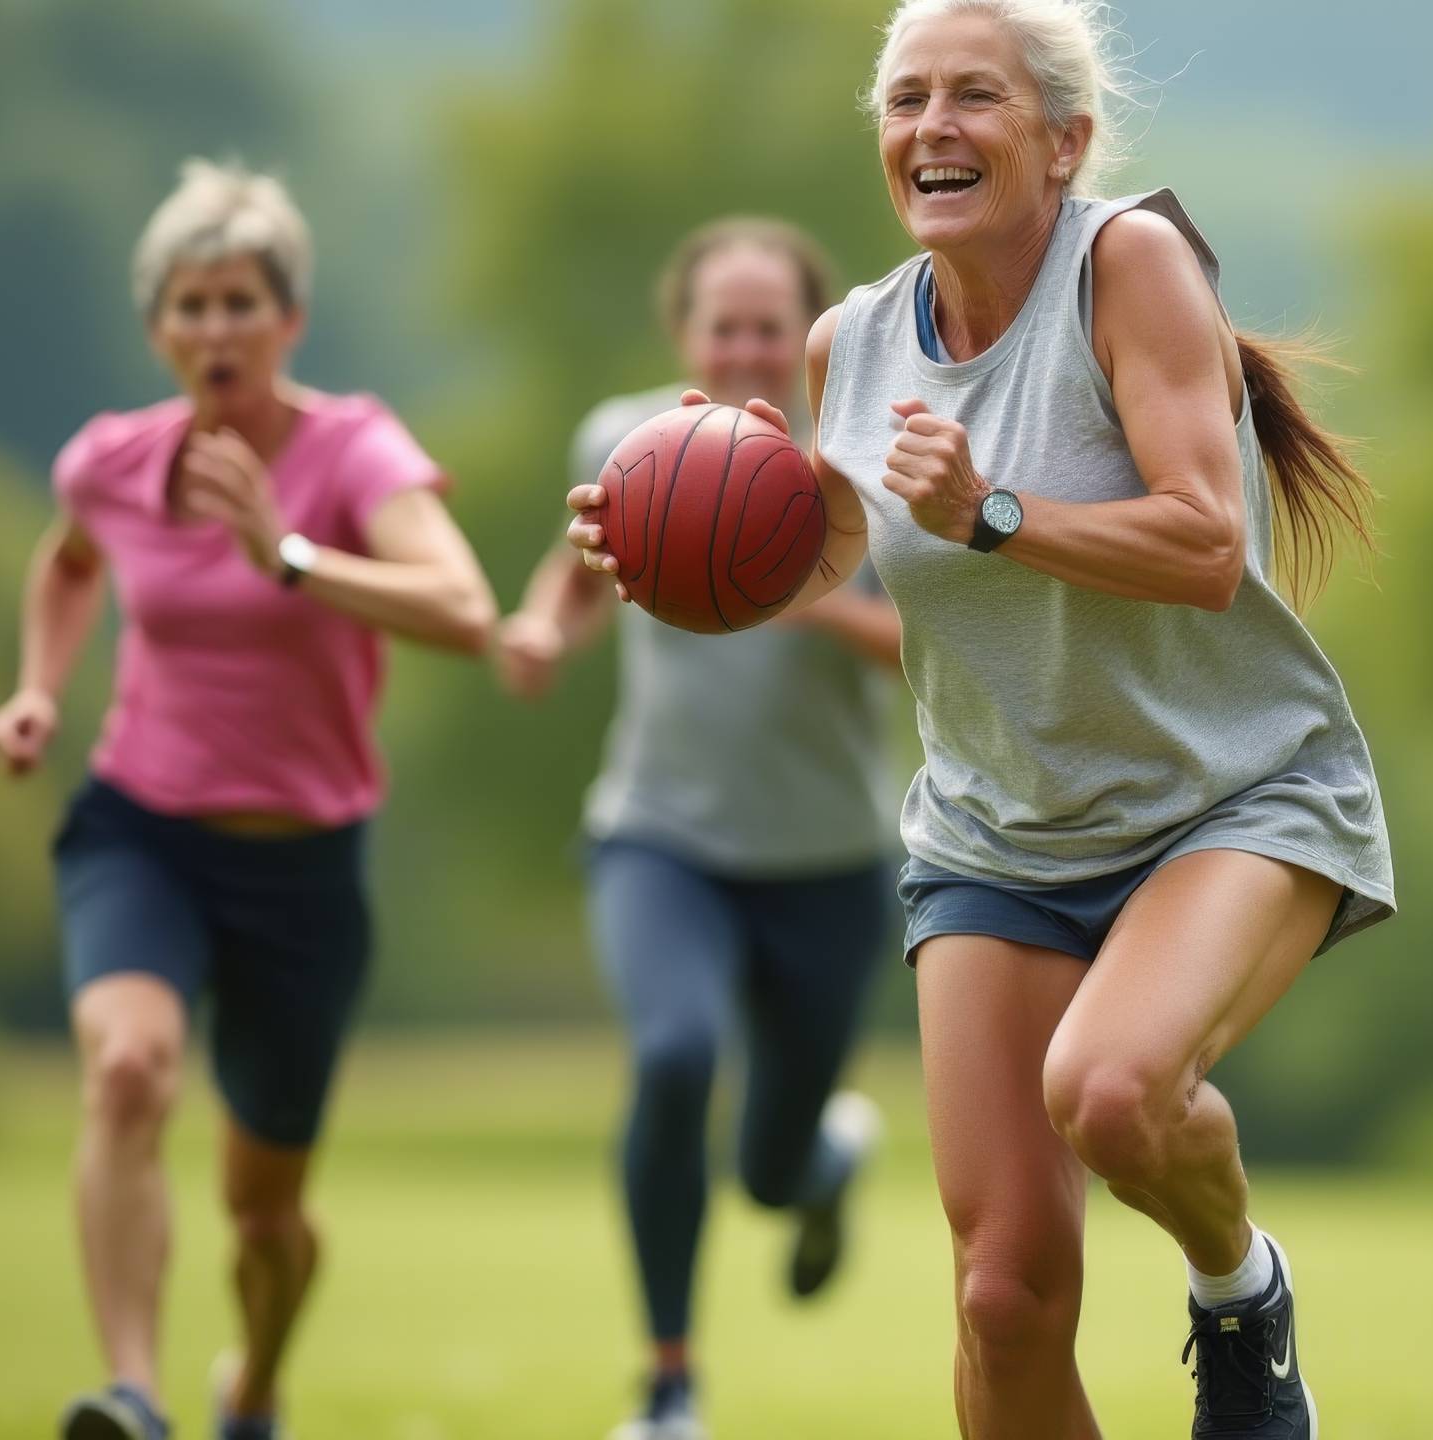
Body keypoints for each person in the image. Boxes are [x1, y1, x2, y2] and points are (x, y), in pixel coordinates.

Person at [570, 4, 1394, 1436]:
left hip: (1232, 801)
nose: (930, 126)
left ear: (1065, 141)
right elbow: (839, 546)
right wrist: (688, 534)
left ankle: (1240, 1292)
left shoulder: (1129, 265)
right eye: (904, 100)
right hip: (997, 837)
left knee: (1117, 1090)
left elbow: (1205, 546)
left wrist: (997, 513)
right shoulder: (853, 340)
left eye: (973, 98)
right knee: (1003, 1301)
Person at [0, 159, 496, 1440]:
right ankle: (134, 1395)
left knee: (264, 1216)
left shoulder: (353, 451)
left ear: (289, 321)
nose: (216, 330)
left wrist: (294, 558)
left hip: (303, 865)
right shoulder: (106, 463)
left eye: (240, 304)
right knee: (129, 1071)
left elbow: (464, 609)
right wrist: (38, 688)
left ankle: (253, 1384)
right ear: (158, 328)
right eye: (191, 307)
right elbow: (66, 566)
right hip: (139, 830)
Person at [494, 217, 905, 1440]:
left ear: (809, 335)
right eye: (721, 327)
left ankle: (820, 1165)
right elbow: (581, 569)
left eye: (768, 328)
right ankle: (670, 1387)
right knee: (673, 1060)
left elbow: (924, 655)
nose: (744, 349)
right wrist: (537, 629)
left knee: (768, 1169)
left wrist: (795, 590)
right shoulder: (628, 439)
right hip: (658, 835)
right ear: (685, 334)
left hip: (829, 860)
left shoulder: (865, 456)